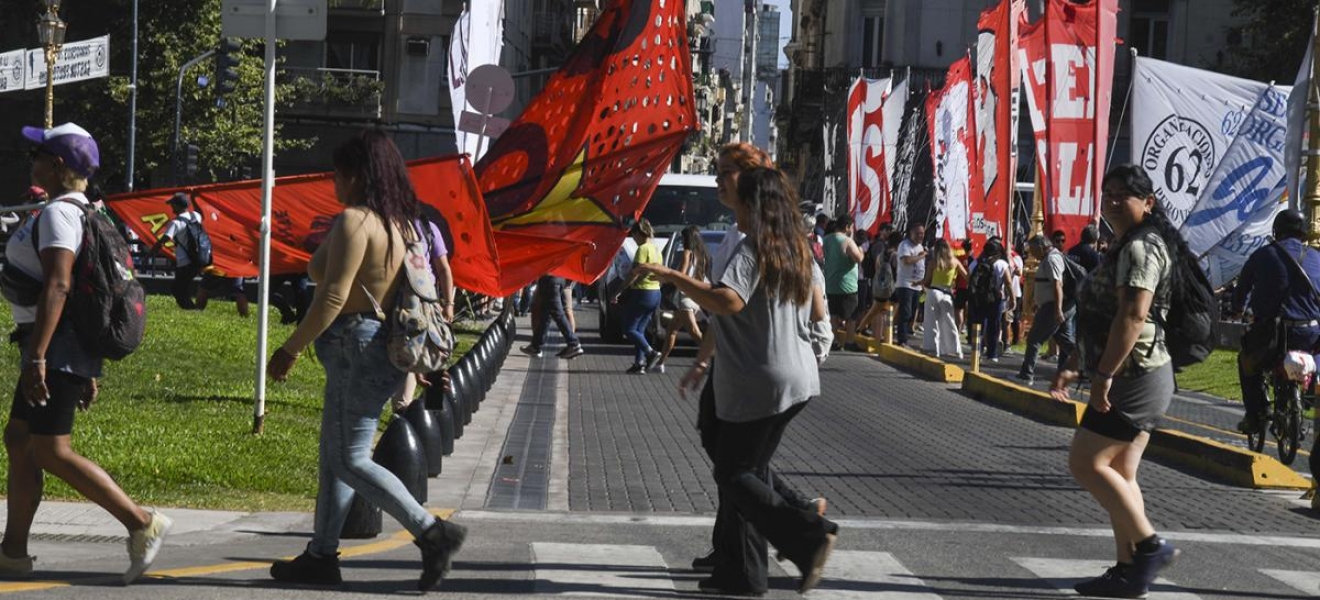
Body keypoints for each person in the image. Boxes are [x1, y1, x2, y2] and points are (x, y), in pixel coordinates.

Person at [264, 129, 466, 590]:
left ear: (355, 176)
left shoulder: (356, 220)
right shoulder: (403, 225)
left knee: (350, 458)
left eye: (337, 174)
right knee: (333, 456)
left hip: (355, 345)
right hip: (380, 347)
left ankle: (432, 533)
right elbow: (325, 269)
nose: (334, 183)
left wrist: (290, 348)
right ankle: (321, 555)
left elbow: (332, 295)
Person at [639, 166, 838, 595]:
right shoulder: (792, 246)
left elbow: (727, 300)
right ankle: (745, 572)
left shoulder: (754, 247)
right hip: (795, 376)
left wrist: (672, 276)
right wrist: (703, 363)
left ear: (752, 205)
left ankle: (808, 534)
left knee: (735, 474)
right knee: (748, 471)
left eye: (737, 197)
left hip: (761, 379)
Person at [3, 123, 171, 583]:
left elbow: (60, 285)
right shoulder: (75, 209)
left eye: (38, 153)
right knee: (19, 441)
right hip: (54, 343)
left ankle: (141, 522)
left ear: (57, 167)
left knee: (51, 450)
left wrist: (39, 357)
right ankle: (12, 552)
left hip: (52, 345)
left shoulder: (60, 214)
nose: (31, 159)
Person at [1049, 164, 1180, 598]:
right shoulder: (1127, 244)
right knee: (1121, 472)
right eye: (1108, 193)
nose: (1113, 201)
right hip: (1137, 372)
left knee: (1085, 463)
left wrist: (1103, 374)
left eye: (1124, 194)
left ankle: (1149, 547)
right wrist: (1078, 363)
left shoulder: (1142, 247)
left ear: (1149, 202)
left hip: (1135, 375)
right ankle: (1129, 572)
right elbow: (1105, 316)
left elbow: (1132, 315)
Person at [1232, 209, 1320, 436]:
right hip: (1310, 334)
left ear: (1276, 231)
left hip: (1270, 335)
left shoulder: (1262, 255)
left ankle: (1256, 415)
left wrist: (1237, 309)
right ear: (1303, 233)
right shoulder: (1317, 257)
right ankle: (1310, 393)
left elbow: (1241, 290)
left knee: (1246, 362)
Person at [1016, 235, 1076, 385]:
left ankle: (1026, 375)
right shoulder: (1049, 258)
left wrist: (1057, 310)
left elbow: (1057, 285)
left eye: (1033, 249)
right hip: (1054, 305)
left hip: (1054, 306)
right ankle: (1091, 368)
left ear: (1041, 247)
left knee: (1034, 339)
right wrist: (1038, 301)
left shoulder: (1051, 259)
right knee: (1066, 341)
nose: (1032, 253)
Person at [654, 226, 709, 374]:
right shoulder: (701, 255)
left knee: (693, 331)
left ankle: (713, 358)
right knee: (672, 330)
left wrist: (665, 279)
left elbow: (681, 274)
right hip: (694, 296)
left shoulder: (687, 253)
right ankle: (660, 363)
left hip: (686, 297)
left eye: (683, 238)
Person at [611, 218, 663, 374]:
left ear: (637, 233)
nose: (633, 239)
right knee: (640, 330)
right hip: (655, 292)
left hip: (642, 292)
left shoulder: (643, 249)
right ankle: (639, 364)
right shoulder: (655, 249)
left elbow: (634, 273)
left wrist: (619, 291)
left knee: (628, 329)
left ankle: (650, 352)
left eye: (633, 235)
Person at [147, 192, 203, 310]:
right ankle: (192, 309)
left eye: (173, 204)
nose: (171, 207)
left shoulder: (176, 223)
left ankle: (193, 311)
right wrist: (194, 199)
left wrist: (154, 249)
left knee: (177, 289)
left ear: (178, 206)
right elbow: (200, 213)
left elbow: (166, 237)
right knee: (181, 288)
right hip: (198, 260)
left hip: (184, 263)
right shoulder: (195, 216)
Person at [822, 214, 865, 351]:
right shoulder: (847, 241)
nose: (852, 230)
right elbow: (857, 259)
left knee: (833, 315)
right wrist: (861, 251)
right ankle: (849, 341)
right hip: (847, 285)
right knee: (851, 315)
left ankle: (834, 341)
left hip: (830, 283)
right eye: (851, 227)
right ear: (847, 227)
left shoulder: (826, 240)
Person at [968, 238, 1014, 361]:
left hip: (978, 299)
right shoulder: (1002, 264)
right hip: (995, 299)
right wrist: (1012, 298)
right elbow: (1008, 283)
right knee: (994, 326)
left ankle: (976, 351)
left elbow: (970, 280)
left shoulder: (975, 263)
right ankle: (992, 354)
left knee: (979, 325)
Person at [520, 273, 585, 359]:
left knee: (557, 313)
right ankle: (535, 346)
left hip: (550, 279)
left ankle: (573, 343)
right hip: (557, 278)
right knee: (546, 315)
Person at [920, 239, 966, 358]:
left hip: (934, 291)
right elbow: (966, 276)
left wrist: (918, 283)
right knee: (949, 322)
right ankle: (954, 350)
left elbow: (927, 280)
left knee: (931, 322)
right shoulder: (954, 262)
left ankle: (931, 348)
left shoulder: (933, 262)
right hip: (947, 293)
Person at [893, 222, 927, 345]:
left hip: (917, 285)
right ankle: (902, 339)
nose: (920, 236)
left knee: (913, 313)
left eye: (922, 233)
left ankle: (904, 333)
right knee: (905, 312)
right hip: (905, 284)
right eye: (918, 233)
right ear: (911, 233)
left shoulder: (920, 247)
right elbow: (906, 260)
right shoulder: (905, 245)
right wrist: (920, 257)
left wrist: (923, 283)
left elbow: (921, 266)